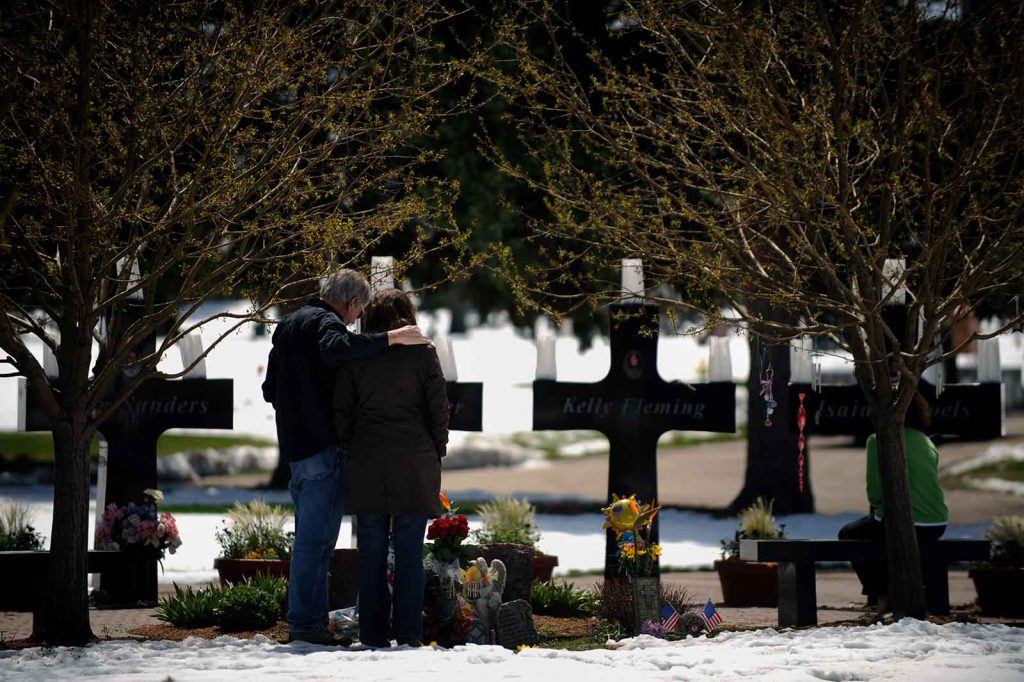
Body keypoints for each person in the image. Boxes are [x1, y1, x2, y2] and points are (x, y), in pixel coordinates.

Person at [262, 269, 427, 644]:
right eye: (358, 313)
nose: (357, 321)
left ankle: (307, 622)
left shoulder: (288, 326)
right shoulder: (325, 323)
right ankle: (307, 626)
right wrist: (390, 337)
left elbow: (270, 388)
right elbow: (339, 347)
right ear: (351, 303)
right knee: (316, 544)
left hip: (295, 449)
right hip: (321, 449)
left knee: (308, 539)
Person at [333, 288, 449, 648]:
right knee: (411, 554)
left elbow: (342, 412)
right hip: (414, 462)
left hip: (368, 461)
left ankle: (373, 634)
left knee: (370, 554)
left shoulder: (358, 355)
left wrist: (352, 444)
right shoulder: (422, 352)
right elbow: (438, 408)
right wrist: (436, 449)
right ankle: (409, 634)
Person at [838, 393, 949, 612]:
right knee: (880, 536)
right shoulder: (925, 440)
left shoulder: (877, 439)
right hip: (937, 522)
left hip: (906, 519)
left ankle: (881, 596)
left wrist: (881, 507)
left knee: (849, 535)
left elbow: (875, 492)